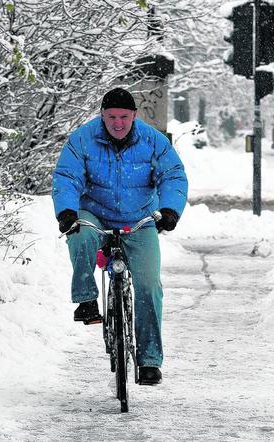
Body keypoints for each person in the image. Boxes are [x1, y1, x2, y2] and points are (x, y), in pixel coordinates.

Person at [51, 87, 188, 385]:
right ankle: (86, 300)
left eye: (124, 117)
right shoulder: (83, 140)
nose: (117, 123)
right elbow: (67, 176)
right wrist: (67, 212)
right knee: (81, 234)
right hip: (95, 213)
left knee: (150, 285)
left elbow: (173, 175)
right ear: (102, 115)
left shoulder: (153, 141)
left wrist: (169, 210)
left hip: (139, 220)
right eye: (111, 116)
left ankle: (149, 360)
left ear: (134, 116)